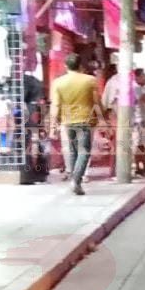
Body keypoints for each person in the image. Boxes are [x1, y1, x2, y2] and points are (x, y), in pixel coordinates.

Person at [51, 53, 101, 195]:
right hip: (86, 120)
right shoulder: (90, 80)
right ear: (81, 66)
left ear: (66, 66)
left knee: (73, 151)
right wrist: (102, 118)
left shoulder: (58, 82)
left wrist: (53, 125)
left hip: (68, 121)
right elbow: (96, 102)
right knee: (84, 151)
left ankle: (75, 180)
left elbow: (55, 105)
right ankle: (76, 180)